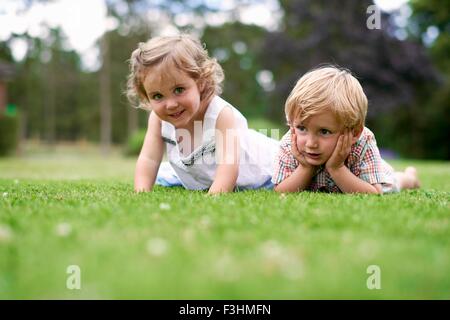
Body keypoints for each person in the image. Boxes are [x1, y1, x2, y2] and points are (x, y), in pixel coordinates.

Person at [127, 34, 278, 194]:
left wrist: (214, 196)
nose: (171, 104)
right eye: (157, 96)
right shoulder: (158, 119)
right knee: (164, 176)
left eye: (179, 90)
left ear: (201, 82)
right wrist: (141, 192)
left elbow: (229, 164)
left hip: (261, 171)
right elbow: (149, 159)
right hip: (203, 173)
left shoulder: (220, 114)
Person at [272, 66, 420, 194]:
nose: (310, 143)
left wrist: (337, 168)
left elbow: (374, 193)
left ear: (354, 132)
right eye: (302, 128)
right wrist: (305, 168)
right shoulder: (290, 142)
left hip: (371, 177)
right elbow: (280, 190)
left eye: (324, 131)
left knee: (395, 182)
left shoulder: (363, 141)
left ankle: (409, 177)